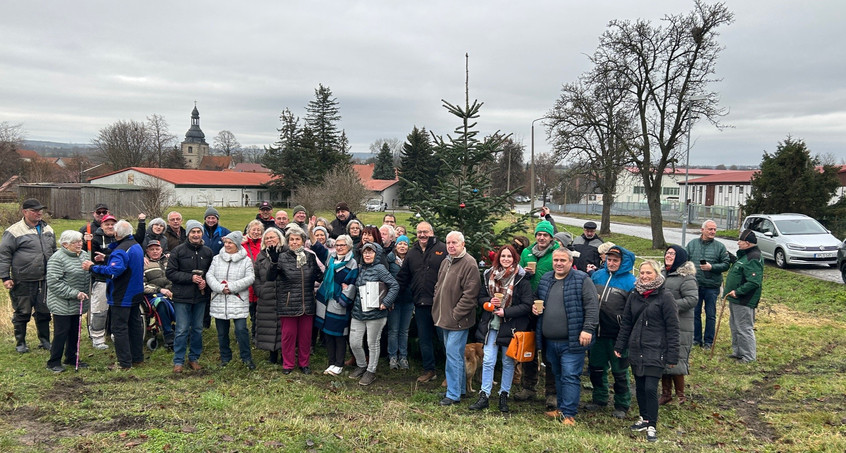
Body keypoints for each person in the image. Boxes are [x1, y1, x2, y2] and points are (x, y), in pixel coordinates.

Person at [614, 260, 680, 443]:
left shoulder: (665, 297)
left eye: (648, 273)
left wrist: (673, 354)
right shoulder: (634, 295)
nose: (644, 276)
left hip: (656, 349)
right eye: (642, 273)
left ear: (657, 274)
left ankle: (652, 424)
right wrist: (620, 346)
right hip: (636, 348)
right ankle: (643, 418)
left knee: (651, 388)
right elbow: (626, 322)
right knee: (641, 387)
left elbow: (673, 327)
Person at [535, 248, 599, 426]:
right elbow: (537, 299)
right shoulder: (547, 279)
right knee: (558, 374)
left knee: (570, 375)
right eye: (556, 260)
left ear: (571, 262)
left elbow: (592, 307)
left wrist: (587, 329)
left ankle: (569, 414)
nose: (559, 263)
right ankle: (561, 408)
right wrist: (535, 308)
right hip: (550, 341)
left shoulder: (582, 280)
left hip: (573, 341)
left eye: (563, 260)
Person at [469, 245, 532, 413]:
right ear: (498, 258)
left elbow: (527, 305)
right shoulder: (489, 275)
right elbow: (480, 297)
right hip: (491, 325)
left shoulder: (521, 279)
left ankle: (504, 394)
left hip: (511, 327)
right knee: (488, 360)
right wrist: (489, 304)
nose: (505, 259)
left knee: (508, 361)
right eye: (503, 256)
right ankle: (484, 395)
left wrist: (507, 311)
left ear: (514, 258)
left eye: (509, 256)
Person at [83, 220, 145, 370]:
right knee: (134, 325)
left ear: (116, 234)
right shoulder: (136, 245)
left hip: (122, 294)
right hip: (136, 292)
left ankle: (124, 363)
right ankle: (137, 358)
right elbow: (126, 263)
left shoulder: (120, 250)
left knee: (119, 328)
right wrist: (106, 259)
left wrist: (93, 267)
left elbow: (113, 272)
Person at [0, 198, 56, 353]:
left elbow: (54, 251)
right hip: (23, 279)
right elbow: (4, 255)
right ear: (25, 212)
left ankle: (45, 341)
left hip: (45, 279)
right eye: (35, 210)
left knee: (44, 311)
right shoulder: (14, 231)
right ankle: (21, 343)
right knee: (22, 311)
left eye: (40, 210)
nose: (39, 213)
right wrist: (5, 277)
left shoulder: (48, 229)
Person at [586, 245, 636, 419]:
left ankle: (622, 403)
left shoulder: (630, 282)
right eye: (609, 260)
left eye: (615, 260)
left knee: (619, 371)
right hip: (597, 332)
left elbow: (633, 311)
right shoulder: (597, 276)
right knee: (596, 368)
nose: (611, 263)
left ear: (623, 262)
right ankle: (599, 398)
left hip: (618, 335)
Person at [395, 221, 448, 383]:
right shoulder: (412, 253)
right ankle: (429, 370)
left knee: (444, 340)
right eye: (419, 232)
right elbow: (403, 278)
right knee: (424, 339)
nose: (422, 235)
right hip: (420, 303)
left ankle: (450, 373)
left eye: (425, 232)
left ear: (432, 232)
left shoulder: (443, 249)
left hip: (440, 304)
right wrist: (392, 297)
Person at [515, 220, 560, 408]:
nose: (541, 238)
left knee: (550, 350)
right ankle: (528, 386)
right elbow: (520, 276)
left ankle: (552, 392)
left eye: (545, 235)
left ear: (550, 237)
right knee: (529, 346)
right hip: (528, 304)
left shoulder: (556, 253)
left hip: (550, 305)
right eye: (539, 234)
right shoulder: (526, 253)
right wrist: (525, 273)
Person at [433, 231, 480, 406]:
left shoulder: (470, 264)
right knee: (455, 355)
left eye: (454, 243)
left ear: (462, 244)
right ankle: (459, 388)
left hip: (458, 321)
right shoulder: (446, 261)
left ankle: (452, 394)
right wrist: (436, 306)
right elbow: (438, 285)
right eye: (448, 242)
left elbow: (470, 295)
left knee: (453, 355)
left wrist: (455, 314)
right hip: (443, 317)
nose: (451, 246)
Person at [166, 220, 213, 373]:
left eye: (198, 232)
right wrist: (190, 278)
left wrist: (205, 282)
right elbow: (170, 273)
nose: (196, 235)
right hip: (182, 297)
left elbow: (211, 273)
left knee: (198, 329)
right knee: (181, 329)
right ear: (188, 234)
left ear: (201, 234)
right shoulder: (178, 251)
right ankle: (178, 360)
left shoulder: (207, 252)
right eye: (193, 232)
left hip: (200, 297)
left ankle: (194, 358)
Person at [349, 242, 398, 386]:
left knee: (373, 343)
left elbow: (394, 285)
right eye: (365, 252)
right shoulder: (360, 268)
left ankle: (371, 371)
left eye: (371, 252)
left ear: (376, 255)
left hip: (376, 315)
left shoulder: (380, 269)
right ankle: (361, 365)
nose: (368, 255)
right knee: (354, 342)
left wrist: (386, 302)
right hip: (358, 312)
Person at [275, 225, 322, 374]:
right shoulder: (282, 257)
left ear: (303, 241)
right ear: (288, 242)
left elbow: (319, 276)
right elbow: (271, 276)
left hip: (307, 303)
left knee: (305, 337)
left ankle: (304, 363)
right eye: (292, 240)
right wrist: (273, 263)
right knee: (289, 336)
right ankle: (288, 364)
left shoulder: (309, 257)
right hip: (288, 303)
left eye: (298, 239)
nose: (295, 242)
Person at [206, 231, 256, 370]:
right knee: (222, 332)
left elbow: (250, 278)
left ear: (237, 244)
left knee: (241, 330)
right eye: (226, 242)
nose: (227, 245)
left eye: (231, 243)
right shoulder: (217, 259)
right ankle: (225, 357)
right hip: (220, 299)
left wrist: (232, 287)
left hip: (238, 300)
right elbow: (209, 275)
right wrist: (220, 288)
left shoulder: (245, 260)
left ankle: (246, 358)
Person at [313, 234, 358, 376]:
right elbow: (319, 249)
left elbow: (352, 285)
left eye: (343, 245)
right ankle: (331, 362)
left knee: (339, 335)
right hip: (326, 302)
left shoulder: (352, 263)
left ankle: (339, 364)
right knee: (327, 334)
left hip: (339, 304)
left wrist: (343, 297)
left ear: (349, 246)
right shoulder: (330, 258)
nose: (339, 248)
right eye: (337, 245)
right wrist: (310, 232)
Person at [45, 230, 90, 372]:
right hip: (62, 303)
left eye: (80, 241)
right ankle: (53, 362)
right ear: (65, 245)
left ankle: (71, 357)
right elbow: (54, 283)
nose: (79, 244)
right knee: (61, 332)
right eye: (75, 242)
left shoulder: (84, 255)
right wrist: (75, 293)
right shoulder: (57, 258)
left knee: (75, 331)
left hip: (78, 302)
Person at [660, 245, 698, 404]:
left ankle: (680, 395)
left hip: (680, 324)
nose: (668, 256)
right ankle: (666, 393)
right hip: (663, 323)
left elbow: (692, 299)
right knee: (663, 357)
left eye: (672, 254)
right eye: (667, 253)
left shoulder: (686, 277)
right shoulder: (662, 274)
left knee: (678, 358)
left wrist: (670, 305)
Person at [686, 219, 731, 349]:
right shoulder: (692, 244)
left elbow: (726, 264)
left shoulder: (720, 247)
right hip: (695, 285)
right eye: (710, 229)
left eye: (714, 229)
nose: (713, 232)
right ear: (702, 230)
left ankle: (708, 341)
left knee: (710, 314)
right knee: (695, 313)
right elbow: (686, 261)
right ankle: (696, 339)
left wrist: (712, 267)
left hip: (712, 286)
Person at [724, 229, 763, 364]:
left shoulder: (754, 258)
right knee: (735, 326)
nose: (738, 243)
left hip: (744, 300)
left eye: (740, 241)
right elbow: (741, 269)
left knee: (744, 327)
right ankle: (738, 352)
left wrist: (738, 291)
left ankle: (748, 357)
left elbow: (754, 282)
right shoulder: (745, 256)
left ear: (747, 243)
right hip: (735, 299)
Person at [83, 213, 118, 350]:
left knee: (116, 310)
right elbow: (89, 257)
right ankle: (97, 338)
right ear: (101, 226)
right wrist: (87, 243)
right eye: (107, 224)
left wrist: (107, 257)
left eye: (112, 224)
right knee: (99, 310)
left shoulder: (119, 238)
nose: (110, 226)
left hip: (117, 279)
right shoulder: (95, 239)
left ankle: (115, 334)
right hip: (101, 279)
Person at [253, 228, 285, 364]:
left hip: (283, 294)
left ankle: (285, 354)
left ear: (279, 239)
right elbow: (256, 277)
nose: (270, 240)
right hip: (266, 296)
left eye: (273, 237)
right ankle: (272, 354)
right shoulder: (261, 256)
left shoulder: (286, 253)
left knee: (283, 327)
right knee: (269, 325)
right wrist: (260, 290)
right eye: (267, 238)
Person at [386, 235, 413, 370]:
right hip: (394, 301)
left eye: (405, 244)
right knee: (393, 330)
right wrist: (388, 299)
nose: (402, 246)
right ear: (396, 245)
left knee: (404, 331)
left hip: (408, 301)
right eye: (400, 243)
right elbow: (386, 281)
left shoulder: (412, 260)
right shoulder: (390, 260)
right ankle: (392, 356)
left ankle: (403, 356)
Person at [143, 240, 175, 350]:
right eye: (152, 249)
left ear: (161, 250)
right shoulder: (143, 264)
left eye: (157, 249)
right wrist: (159, 289)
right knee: (161, 302)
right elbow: (142, 285)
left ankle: (183, 331)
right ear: (147, 251)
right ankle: (168, 335)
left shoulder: (169, 261)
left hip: (172, 292)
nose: (155, 251)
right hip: (154, 295)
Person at [242, 220, 264, 342]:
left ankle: (256, 335)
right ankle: (243, 335)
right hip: (246, 284)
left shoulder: (264, 244)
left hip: (260, 283)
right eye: (253, 230)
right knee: (246, 311)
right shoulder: (242, 244)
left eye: (258, 230)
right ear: (248, 231)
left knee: (258, 313)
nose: (256, 232)